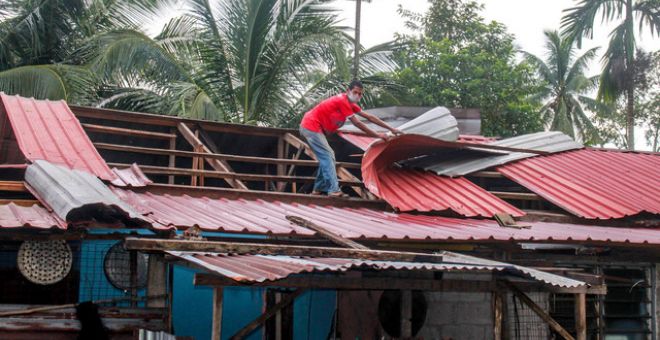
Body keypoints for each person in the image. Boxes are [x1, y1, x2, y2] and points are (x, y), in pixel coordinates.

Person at [299, 79, 402, 197]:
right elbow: (357, 123)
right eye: (355, 92)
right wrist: (378, 135)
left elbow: (370, 117)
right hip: (311, 126)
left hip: (316, 129)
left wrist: (392, 129)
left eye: (360, 94)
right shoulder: (341, 100)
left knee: (327, 157)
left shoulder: (350, 104)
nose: (357, 95)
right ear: (348, 91)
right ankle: (333, 190)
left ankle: (317, 189)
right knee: (328, 156)